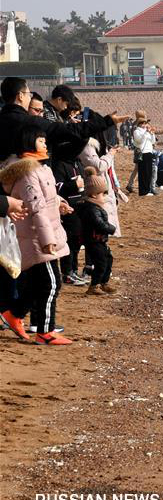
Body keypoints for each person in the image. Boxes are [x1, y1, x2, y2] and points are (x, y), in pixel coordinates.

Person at [0, 127, 72, 345]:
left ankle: (15, 314)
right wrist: (47, 240)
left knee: (35, 284)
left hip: (43, 233)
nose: (45, 144)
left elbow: (47, 199)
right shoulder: (27, 173)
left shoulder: (41, 168)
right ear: (30, 143)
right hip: (36, 237)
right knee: (52, 283)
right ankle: (45, 330)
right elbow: (37, 209)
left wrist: (60, 203)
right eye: (41, 141)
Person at [0, 77, 124, 165]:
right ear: (20, 96)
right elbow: (66, 131)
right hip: (30, 178)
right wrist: (107, 121)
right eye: (28, 94)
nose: (30, 97)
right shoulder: (29, 122)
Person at [50, 138, 88, 286]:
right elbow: (57, 188)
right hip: (68, 208)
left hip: (80, 206)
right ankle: (67, 273)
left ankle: (73, 271)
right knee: (70, 241)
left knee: (77, 241)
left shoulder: (77, 162)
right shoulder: (60, 164)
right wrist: (73, 184)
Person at [76, 167, 117, 296]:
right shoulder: (91, 209)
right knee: (101, 263)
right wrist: (111, 228)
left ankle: (103, 282)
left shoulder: (95, 207)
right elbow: (99, 224)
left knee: (108, 259)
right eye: (103, 194)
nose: (105, 196)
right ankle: (94, 286)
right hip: (94, 241)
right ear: (94, 195)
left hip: (99, 240)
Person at [78, 137, 122, 237]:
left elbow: (110, 169)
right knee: (95, 213)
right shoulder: (87, 145)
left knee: (101, 211)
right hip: (94, 185)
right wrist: (110, 154)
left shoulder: (100, 143)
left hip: (100, 184)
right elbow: (99, 166)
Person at [132, 118, 157, 196]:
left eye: (145, 123)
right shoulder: (136, 131)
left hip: (149, 152)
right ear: (139, 124)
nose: (144, 125)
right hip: (143, 153)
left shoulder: (146, 132)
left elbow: (153, 142)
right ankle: (143, 191)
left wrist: (152, 133)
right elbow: (140, 141)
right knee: (143, 173)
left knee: (148, 173)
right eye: (142, 123)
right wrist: (146, 132)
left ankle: (147, 190)